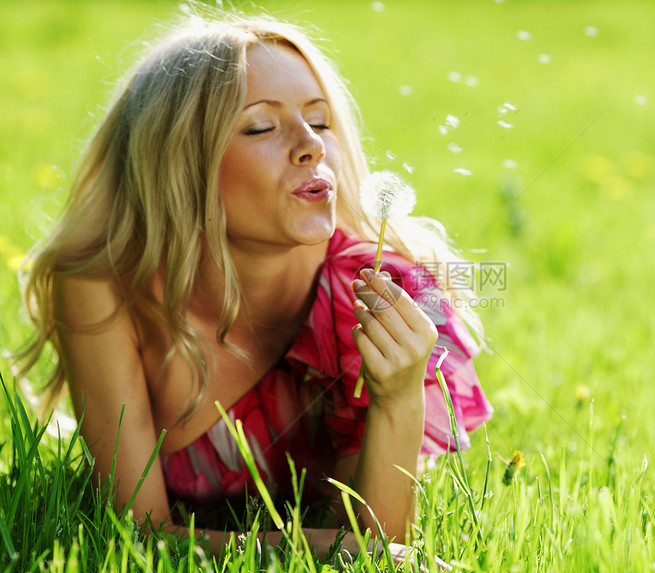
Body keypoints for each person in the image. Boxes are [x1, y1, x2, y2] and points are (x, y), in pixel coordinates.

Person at [16, 10, 492, 564]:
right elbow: (133, 532)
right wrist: (297, 547)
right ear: (179, 164)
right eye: (261, 127)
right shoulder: (105, 288)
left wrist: (399, 396)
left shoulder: (371, 292)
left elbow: (377, 545)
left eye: (321, 121)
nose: (311, 145)